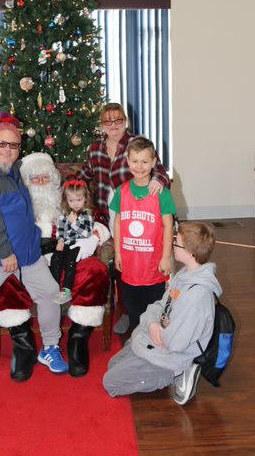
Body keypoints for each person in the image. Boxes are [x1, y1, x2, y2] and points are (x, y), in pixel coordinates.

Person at [0, 112, 68, 393]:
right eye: (2, 143)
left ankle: (50, 347)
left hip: (26, 251)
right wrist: (4, 253)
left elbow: (43, 181)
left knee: (51, 294)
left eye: (14, 145)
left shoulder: (15, 169)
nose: (7, 149)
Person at [0, 152, 111, 377]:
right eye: (34, 178)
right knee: (3, 278)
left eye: (45, 177)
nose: (40, 183)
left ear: (53, 180)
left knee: (96, 271)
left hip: (68, 261)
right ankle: (23, 344)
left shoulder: (67, 201)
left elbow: (97, 219)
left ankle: (78, 339)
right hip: (29, 262)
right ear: (26, 182)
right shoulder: (16, 206)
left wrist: (94, 238)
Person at [103, 221, 220, 405]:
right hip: (157, 341)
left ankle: (175, 374)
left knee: (111, 383)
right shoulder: (183, 275)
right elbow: (158, 305)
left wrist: (156, 330)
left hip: (170, 356)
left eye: (176, 242)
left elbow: (175, 343)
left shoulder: (196, 296)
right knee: (112, 365)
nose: (172, 245)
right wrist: (152, 324)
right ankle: (152, 361)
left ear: (190, 253)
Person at [79, 102, 170, 334]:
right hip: (105, 213)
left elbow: (159, 171)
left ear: (125, 121)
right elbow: (86, 175)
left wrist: (157, 181)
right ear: (102, 124)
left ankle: (150, 312)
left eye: (118, 120)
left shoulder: (136, 144)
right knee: (121, 262)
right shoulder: (95, 148)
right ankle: (127, 311)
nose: (113, 125)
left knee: (138, 255)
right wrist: (68, 189)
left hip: (135, 213)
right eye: (108, 121)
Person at [110, 136, 176, 331]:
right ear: (127, 161)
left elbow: (168, 226)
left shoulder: (162, 194)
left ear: (154, 162)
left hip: (154, 267)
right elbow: (118, 223)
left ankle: (153, 343)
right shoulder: (121, 191)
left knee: (154, 313)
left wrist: (166, 257)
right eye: (135, 161)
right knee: (133, 310)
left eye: (145, 162)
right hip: (129, 266)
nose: (139, 167)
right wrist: (118, 253)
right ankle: (136, 341)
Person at [51, 179, 95, 304]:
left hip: (79, 244)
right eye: (71, 200)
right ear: (66, 200)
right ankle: (53, 286)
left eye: (78, 200)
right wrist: (60, 240)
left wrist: (74, 223)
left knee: (70, 261)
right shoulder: (64, 213)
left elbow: (87, 233)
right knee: (56, 258)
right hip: (66, 243)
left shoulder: (86, 214)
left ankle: (66, 290)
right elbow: (60, 229)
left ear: (85, 198)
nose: (75, 204)